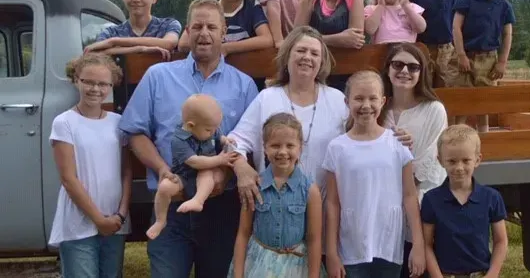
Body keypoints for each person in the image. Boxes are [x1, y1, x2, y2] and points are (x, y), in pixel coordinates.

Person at [118, 0, 259, 278]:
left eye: (211, 27)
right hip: (170, 205)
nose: (204, 33)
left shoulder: (243, 85)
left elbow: (250, 144)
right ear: (187, 31)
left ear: (223, 31)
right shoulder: (158, 76)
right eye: (197, 26)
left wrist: (227, 175)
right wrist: (162, 170)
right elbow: (134, 132)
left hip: (222, 208)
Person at [228, 26, 413, 212]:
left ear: (321, 61)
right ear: (287, 56)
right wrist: (241, 167)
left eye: (314, 53)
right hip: (276, 209)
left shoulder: (337, 100)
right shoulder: (266, 98)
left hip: (327, 209)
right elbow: (236, 141)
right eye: (300, 50)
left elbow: (366, 136)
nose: (307, 57)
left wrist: (395, 139)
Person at [323, 70, 426, 278]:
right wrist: (332, 253)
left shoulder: (397, 144)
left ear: (383, 101)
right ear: (347, 101)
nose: (366, 105)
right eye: (359, 98)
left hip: (388, 246)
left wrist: (418, 244)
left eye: (372, 98)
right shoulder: (337, 147)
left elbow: (409, 196)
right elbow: (332, 203)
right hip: (351, 247)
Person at [48, 53, 131, 278]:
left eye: (103, 84)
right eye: (89, 82)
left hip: (115, 222)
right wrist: (98, 220)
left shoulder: (117, 123)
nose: (96, 89)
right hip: (79, 225)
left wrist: (121, 215)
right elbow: (68, 178)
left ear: (112, 85)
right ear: (77, 80)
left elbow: (126, 171)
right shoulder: (64, 123)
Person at [228, 113, 326, 278]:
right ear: (265, 148)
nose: (282, 152)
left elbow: (314, 239)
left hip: (296, 267)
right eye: (275, 145)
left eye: (290, 145)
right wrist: (238, 274)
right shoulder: (254, 186)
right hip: (258, 265)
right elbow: (243, 233)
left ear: (300, 147)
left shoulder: (310, 190)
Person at [380, 43, 448, 278]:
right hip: (382, 205)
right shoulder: (378, 109)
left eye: (413, 67)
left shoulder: (434, 109)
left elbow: (433, 158)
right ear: (388, 69)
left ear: (422, 73)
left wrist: (405, 182)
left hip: (421, 203)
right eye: (397, 64)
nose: (405, 71)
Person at [146, 94, 239, 240]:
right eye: (209, 130)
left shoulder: (207, 127)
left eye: (216, 128)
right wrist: (220, 159)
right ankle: (160, 220)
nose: (213, 132)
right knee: (164, 188)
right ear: (190, 126)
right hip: (183, 175)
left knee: (207, 173)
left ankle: (198, 200)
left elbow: (216, 136)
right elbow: (195, 162)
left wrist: (224, 139)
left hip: (205, 172)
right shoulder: (178, 140)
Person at [421, 124, 508, 278]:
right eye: (452, 161)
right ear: (440, 160)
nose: (459, 167)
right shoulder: (431, 200)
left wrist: (492, 274)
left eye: (466, 160)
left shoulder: (491, 198)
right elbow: (426, 244)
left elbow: (500, 241)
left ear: (477, 159)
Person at [450, 0, 516, 133]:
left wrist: (502, 62)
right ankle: (458, 133)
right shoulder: (466, 0)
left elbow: (507, 34)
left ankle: (484, 134)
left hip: (490, 58)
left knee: (484, 99)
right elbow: (456, 28)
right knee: (463, 97)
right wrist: (461, 55)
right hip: (466, 56)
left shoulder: (504, 5)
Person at [84, 0, 182, 60]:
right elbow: (95, 53)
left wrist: (115, 42)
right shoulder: (111, 33)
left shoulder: (168, 25)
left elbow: (169, 43)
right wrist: (139, 50)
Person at [409, 0, 459, 88]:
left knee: (446, 83)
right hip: (423, 48)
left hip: (447, 49)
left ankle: (445, 110)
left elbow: (457, 23)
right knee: (424, 83)